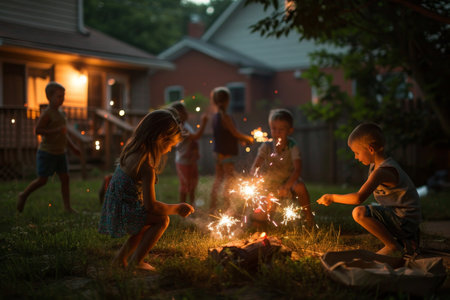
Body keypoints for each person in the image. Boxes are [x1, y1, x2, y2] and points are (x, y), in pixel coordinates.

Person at [98, 109, 194, 271]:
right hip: (125, 212)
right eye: (170, 145)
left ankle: (120, 259)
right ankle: (137, 261)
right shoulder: (146, 167)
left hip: (117, 209)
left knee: (144, 222)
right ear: (160, 138)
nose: (170, 149)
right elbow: (152, 207)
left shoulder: (132, 152)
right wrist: (177, 208)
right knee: (162, 219)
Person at [317, 122, 421, 256]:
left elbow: (358, 198)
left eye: (357, 152)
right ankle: (406, 240)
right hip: (404, 218)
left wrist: (332, 197)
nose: (355, 157)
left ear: (370, 149)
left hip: (405, 219)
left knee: (359, 213)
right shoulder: (376, 166)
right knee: (373, 207)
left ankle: (392, 246)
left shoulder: (382, 171)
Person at [17, 82, 80, 213]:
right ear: (49, 97)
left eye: (63, 96)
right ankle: (23, 195)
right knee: (42, 180)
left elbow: (64, 134)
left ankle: (67, 207)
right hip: (47, 152)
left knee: (65, 178)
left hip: (60, 152)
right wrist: (56, 130)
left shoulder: (61, 114)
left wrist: (73, 147)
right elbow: (38, 130)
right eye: (58, 96)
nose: (62, 99)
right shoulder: (47, 113)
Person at [250, 108, 315, 228]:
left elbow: (297, 169)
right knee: (257, 223)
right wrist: (255, 177)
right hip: (270, 185)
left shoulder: (292, 146)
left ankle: (309, 217)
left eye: (281, 129)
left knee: (300, 187)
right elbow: (256, 166)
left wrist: (286, 186)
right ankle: (265, 220)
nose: (277, 132)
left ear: (290, 131)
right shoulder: (267, 146)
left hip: (288, 182)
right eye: (274, 129)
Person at [209, 87, 253, 212]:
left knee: (218, 179)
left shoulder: (215, 117)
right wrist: (248, 138)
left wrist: (240, 140)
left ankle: (212, 206)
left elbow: (225, 134)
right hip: (227, 153)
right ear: (227, 101)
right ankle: (227, 205)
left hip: (218, 153)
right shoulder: (226, 117)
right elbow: (234, 132)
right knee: (229, 179)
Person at [169, 101, 208, 205]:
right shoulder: (181, 128)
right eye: (184, 112)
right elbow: (196, 137)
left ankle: (191, 205)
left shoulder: (186, 125)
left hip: (190, 161)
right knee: (185, 185)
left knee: (192, 184)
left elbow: (193, 140)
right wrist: (203, 123)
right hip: (183, 162)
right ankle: (182, 207)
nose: (187, 113)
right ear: (177, 115)